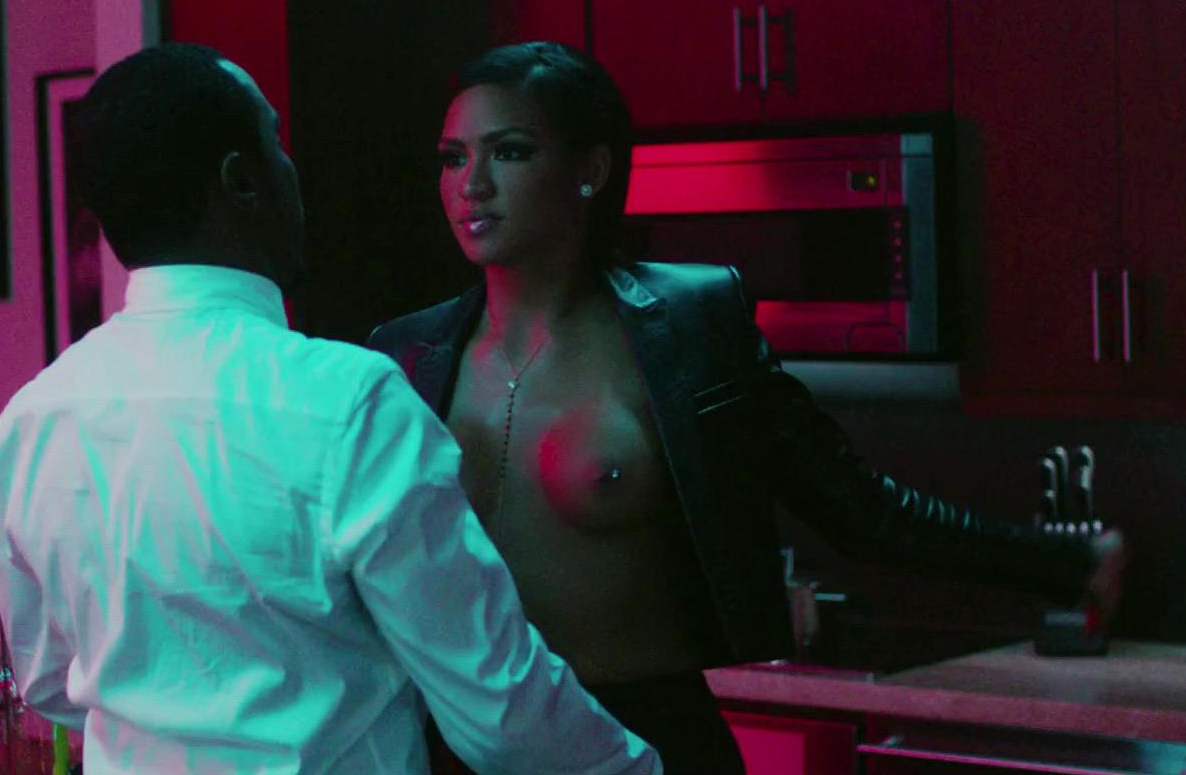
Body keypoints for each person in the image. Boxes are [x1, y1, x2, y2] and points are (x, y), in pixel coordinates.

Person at [366, 41, 1128, 774]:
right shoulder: (404, 357)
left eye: (509, 152)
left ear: (589, 170)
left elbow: (858, 507)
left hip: (644, 740)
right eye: (453, 157)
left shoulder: (685, 330)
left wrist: (1063, 564)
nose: (471, 184)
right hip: (456, 752)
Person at [0, 43, 663, 775]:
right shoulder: (349, 404)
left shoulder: (29, 423)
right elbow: (498, 713)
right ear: (243, 182)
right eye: (275, 143)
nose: (291, 168)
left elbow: (49, 680)